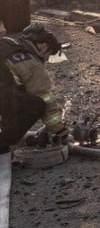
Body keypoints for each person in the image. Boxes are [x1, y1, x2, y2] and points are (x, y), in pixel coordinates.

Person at [0, 24, 68, 155]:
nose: (47, 59)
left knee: (16, 96)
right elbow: (44, 96)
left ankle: (5, 131)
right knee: (35, 104)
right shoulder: (32, 64)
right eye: (49, 54)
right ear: (43, 46)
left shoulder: (9, 44)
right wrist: (60, 131)